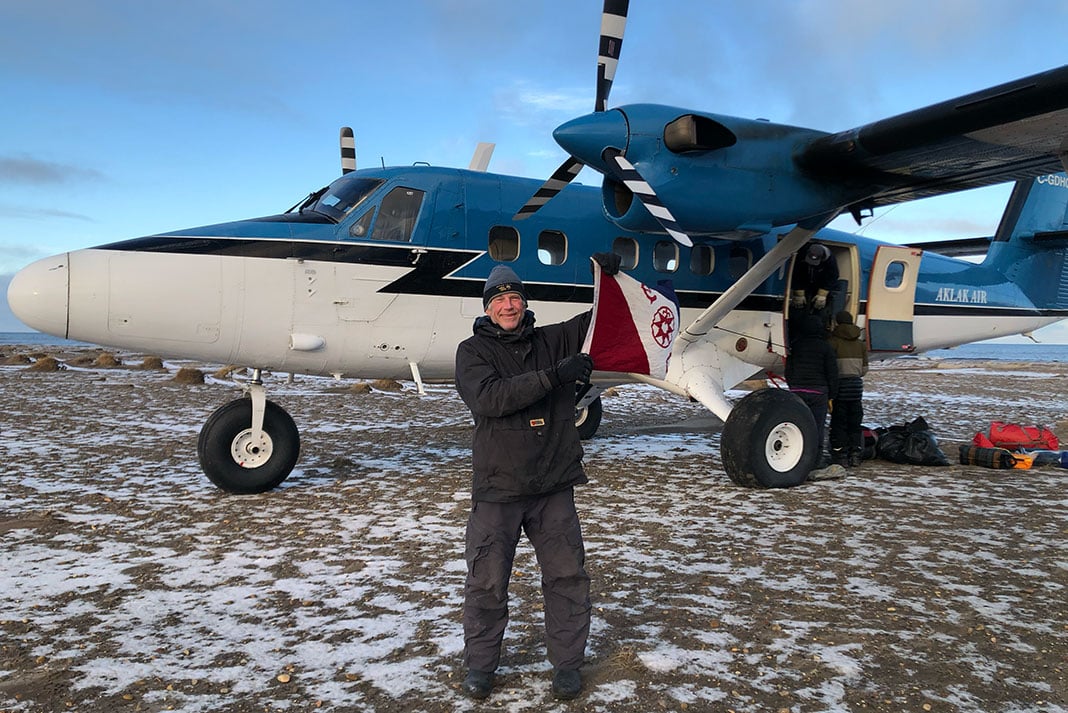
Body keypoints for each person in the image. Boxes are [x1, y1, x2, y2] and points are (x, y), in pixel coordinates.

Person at [453, 256, 617, 702]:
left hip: (552, 487)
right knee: (486, 582)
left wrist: (607, 281)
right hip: (498, 490)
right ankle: (481, 667)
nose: (508, 305)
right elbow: (489, 399)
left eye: (514, 298)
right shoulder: (473, 353)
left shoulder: (552, 339)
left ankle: (567, 665)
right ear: (487, 308)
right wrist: (554, 376)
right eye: (500, 299)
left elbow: (599, 322)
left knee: (567, 578)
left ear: (525, 304)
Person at [784, 313, 838, 467]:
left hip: (798, 390)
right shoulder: (825, 348)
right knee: (817, 427)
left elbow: (789, 369)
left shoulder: (796, 345)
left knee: (799, 425)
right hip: (818, 392)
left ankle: (797, 458)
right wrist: (832, 394)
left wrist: (792, 386)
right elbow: (832, 373)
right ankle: (815, 461)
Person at [827, 310, 868, 467]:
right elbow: (864, 370)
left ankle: (841, 455)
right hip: (856, 387)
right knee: (855, 422)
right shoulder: (860, 344)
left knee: (839, 422)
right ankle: (856, 454)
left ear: (837, 323)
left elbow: (830, 367)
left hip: (840, 387)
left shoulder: (833, 342)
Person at [790, 243, 839, 319]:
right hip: (804, 282)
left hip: (820, 284)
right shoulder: (801, 254)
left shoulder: (830, 259)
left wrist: (823, 294)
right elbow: (795, 273)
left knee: (820, 308)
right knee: (799, 308)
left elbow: (833, 276)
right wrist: (798, 293)